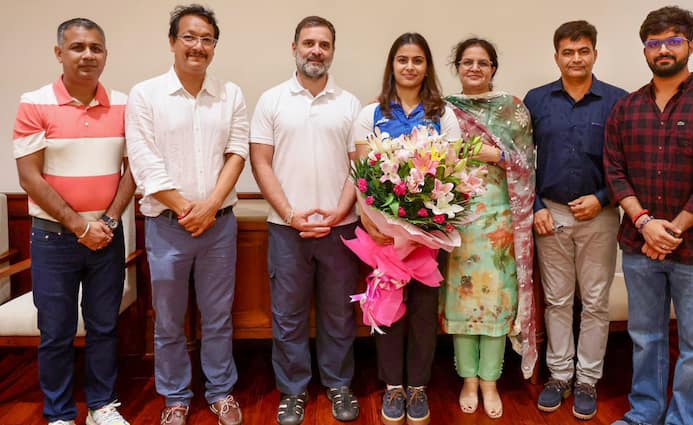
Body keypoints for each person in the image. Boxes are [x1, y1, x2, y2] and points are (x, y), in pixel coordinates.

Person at [604, 6, 693, 425]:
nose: (663, 49)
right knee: (645, 339)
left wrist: (673, 229)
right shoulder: (626, 109)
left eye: (673, 41)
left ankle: (685, 420)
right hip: (638, 247)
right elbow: (614, 171)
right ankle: (645, 412)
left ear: (690, 46)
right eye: (654, 43)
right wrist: (646, 224)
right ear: (645, 51)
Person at [125, 5, 248, 425]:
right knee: (169, 320)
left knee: (218, 316)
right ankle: (176, 396)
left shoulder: (230, 94)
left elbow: (237, 153)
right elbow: (144, 161)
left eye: (207, 39)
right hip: (166, 227)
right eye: (190, 37)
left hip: (219, 225)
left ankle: (220, 391)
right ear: (173, 41)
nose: (198, 46)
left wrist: (210, 206)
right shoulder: (146, 94)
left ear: (215, 46)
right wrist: (184, 209)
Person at [13, 17, 135, 425]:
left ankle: (102, 406)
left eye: (95, 48)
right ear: (59, 52)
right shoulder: (34, 102)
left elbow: (133, 169)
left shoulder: (123, 104)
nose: (87, 55)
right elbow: (29, 175)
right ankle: (60, 414)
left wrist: (109, 221)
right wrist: (79, 225)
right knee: (57, 332)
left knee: (104, 327)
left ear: (105, 54)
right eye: (78, 47)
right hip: (53, 240)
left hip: (107, 236)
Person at [249, 15, 362, 425]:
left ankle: (338, 384)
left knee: (338, 312)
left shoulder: (349, 104)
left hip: (341, 227)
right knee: (288, 314)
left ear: (333, 50)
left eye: (324, 44)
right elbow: (260, 162)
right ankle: (293, 390)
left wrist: (339, 210)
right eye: (309, 43)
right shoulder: (271, 100)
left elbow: (358, 168)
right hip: (286, 229)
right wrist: (290, 214)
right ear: (294, 47)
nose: (316, 50)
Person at [351, 32, 461, 425]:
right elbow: (363, 175)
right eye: (403, 60)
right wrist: (370, 220)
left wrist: (428, 225)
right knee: (388, 307)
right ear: (392, 65)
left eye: (417, 60)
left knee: (422, 313)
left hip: (429, 236)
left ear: (426, 66)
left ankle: (417, 386)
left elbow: (452, 170)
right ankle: (392, 386)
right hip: (383, 236)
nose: (410, 66)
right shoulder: (371, 113)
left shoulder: (442, 113)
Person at [523, 20, 627, 420]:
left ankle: (587, 379)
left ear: (595, 54)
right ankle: (559, 375)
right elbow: (521, 164)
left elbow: (626, 164)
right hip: (550, 214)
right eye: (568, 51)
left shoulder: (617, 101)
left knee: (597, 302)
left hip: (599, 215)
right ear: (556, 57)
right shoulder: (536, 101)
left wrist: (602, 199)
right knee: (557, 300)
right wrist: (536, 210)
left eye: (583, 50)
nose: (576, 58)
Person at [441, 38, 536, 419]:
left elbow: (528, 165)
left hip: (501, 222)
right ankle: (468, 380)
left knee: (497, 304)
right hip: (456, 221)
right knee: (461, 302)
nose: (475, 68)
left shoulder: (513, 109)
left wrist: (494, 155)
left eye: (482, 62)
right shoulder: (445, 110)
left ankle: (491, 382)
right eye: (467, 62)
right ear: (458, 67)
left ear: (493, 68)